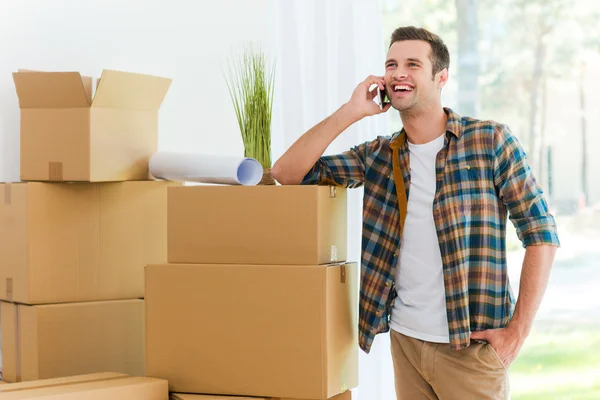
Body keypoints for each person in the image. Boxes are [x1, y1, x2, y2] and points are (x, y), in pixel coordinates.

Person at [271, 26, 560, 400]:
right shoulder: (378, 155)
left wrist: (518, 331)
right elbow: (286, 174)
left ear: (441, 77)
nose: (398, 73)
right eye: (391, 65)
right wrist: (351, 111)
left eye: (412, 64)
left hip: (470, 349)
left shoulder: (489, 141)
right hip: (406, 343)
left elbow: (541, 233)